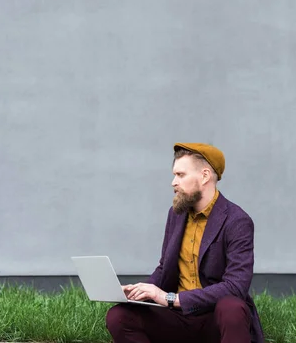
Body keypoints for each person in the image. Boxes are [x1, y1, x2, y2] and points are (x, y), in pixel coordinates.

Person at [106, 142, 265, 343]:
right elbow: (165, 268)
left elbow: (236, 286)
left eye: (181, 175)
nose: (173, 182)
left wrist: (171, 299)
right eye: (174, 175)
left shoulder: (237, 220)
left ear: (205, 176)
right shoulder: (176, 214)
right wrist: (140, 290)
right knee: (119, 316)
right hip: (178, 318)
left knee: (232, 308)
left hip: (214, 319)